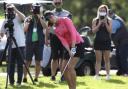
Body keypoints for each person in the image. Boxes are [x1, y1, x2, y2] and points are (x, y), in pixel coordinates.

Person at [44, 11, 84, 89]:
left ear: (53, 15)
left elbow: (73, 33)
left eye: (51, 17)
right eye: (49, 19)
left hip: (78, 44)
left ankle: (74, 87)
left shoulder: (66, 20)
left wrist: (72, 48)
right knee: (63, 68)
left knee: (70, 67)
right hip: (69, 46)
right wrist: (69, 50)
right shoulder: (55, 29)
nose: (51, 20)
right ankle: (70, 87)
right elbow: (63, 41)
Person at [0, 4, 25, 86]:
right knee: (10, 64)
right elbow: (1, 34)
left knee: (20, 64)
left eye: (11, 9)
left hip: (20, 44)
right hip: (10, 44)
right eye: (8, 9)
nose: (10, 11)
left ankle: (19, 82)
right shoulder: (5, 21)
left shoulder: (18, 17)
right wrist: (6, 29)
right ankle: (11, 82)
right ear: (6, 11)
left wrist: (15, 9)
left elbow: (23, 18)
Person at [23, 3, 48, 82]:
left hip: (39, 42)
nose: (35, 11)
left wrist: (40, 16)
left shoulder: (42, 18)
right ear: (31, 10)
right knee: (27, 61)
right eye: (34, 9)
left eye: (37, 9)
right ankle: (25, 77)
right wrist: (28, 22)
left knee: (38, 61)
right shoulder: (28, 18)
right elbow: (25, 29)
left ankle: (36, 77)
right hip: (30, 42)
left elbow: (45, 27)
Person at [50, 0, 72, 81]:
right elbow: (48, 27)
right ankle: (53, 76)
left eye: (59, 3)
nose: (57, 4)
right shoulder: (50, 13)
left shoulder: (67, 13)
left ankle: (63, 75)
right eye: (56, 3)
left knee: (63, 57)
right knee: (54, 57)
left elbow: (69, 25)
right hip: (54, 37)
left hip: (64, 37)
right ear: (53, 4)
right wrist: (46, 38)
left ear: (62, 3)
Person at [92, 5, 112, 80]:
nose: (102, 12)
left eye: (104, 11)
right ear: (98, 11)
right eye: (101, 10)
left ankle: (108, 75)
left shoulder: (109, 20)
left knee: (107, 59)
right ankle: (97, 75)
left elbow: (110, 31)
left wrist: (105, 23)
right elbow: (93, 31)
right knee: (98, 60)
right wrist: (99, 23)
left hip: (106, 41)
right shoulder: (95, 20)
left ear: (106, 12)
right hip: (97, 41)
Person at [108, 9, 128, 76]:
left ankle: (125, 72)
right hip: (119, 42)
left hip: (124, 42)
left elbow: (111, 31)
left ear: (110, 15)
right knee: (118, 57)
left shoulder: (115, 20)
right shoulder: (115, 19)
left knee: (123, 57)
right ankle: (120, 71)